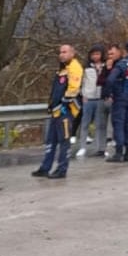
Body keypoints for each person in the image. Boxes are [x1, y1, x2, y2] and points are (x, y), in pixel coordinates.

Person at [32, 44, 82, 179]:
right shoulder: (62, 69)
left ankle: (62, 169)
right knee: (50, 141)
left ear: (72, 53)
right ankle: (45, 167)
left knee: (64, 141)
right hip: (56, 112)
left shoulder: (74, 67)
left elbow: (73, 89)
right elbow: (56, 90)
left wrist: (64, 103)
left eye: (65, 52)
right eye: (60, 52)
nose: (61, 54)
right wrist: (51, 105)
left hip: (66, 111)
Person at [74, 45, 105, 158]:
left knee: (99, 124)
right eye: (93, 54)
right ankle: (82, 147)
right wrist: (82, 94)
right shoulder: (86, 68)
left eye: (97, 54)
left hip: (100, 98)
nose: (95, 56)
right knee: (85, 123)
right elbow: (81, 82)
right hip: (88, 98)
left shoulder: (105, 66)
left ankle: (100, 147)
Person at [94, 43, 121, 157]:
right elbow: (99, 81)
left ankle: (115, 147)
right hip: (103, 97)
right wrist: (106, 69)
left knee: (113, 125)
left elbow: (115, 81)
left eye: (112, 53)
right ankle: (100, 148)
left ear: (119, 53)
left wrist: (110, 71)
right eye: (109, 54)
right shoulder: (106, 66)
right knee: (100, 124)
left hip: (115, 98)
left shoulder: (121, 65)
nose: (110, 56)